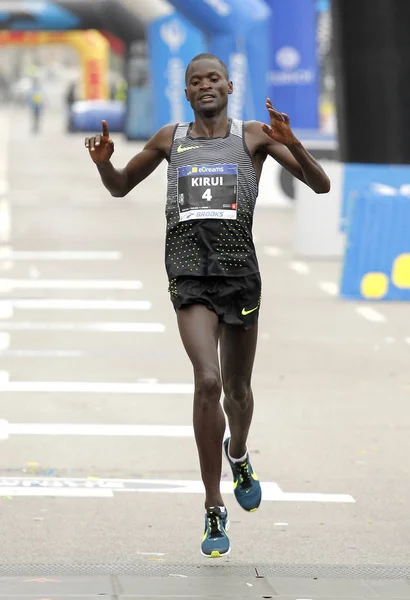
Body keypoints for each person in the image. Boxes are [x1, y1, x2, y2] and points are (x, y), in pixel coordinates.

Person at [85, 53, 330, 558]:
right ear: (186, 91)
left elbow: (320, 184)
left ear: (230, 84)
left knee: (238, 391)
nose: (205, 86)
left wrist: (295, 144)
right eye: (195, 81)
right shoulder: (169, 140)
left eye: (213, 78)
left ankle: (237, 452)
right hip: (189, 275)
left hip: (239, 278)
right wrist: (105, 162)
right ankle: (213, 505)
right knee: (208, 380)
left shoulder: (255, 136)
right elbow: (119, 188)